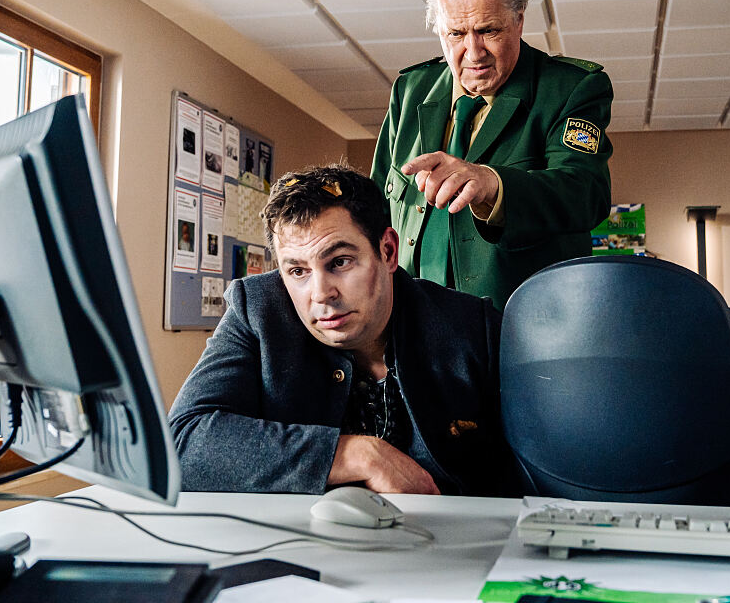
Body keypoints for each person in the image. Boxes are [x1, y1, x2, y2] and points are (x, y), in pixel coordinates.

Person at [167, 163, 515, 496]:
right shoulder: (257, 311)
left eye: (340, 262)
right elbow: (181, 441)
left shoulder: (475, 327)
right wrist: (354, 455)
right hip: (302, 544)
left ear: (388, 251)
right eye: (298, 271)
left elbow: (541, 475)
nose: (321, 294)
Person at [371, 0, 613, 311]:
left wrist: (493, 185)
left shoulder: (569, 88)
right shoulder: (410, 90)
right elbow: (374, 206)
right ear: (439, 30)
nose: (473, 51)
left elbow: (585, 193)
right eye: (456, 33)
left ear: (518, 21)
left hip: (520, 329)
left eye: (488, 31)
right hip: (411, 329)